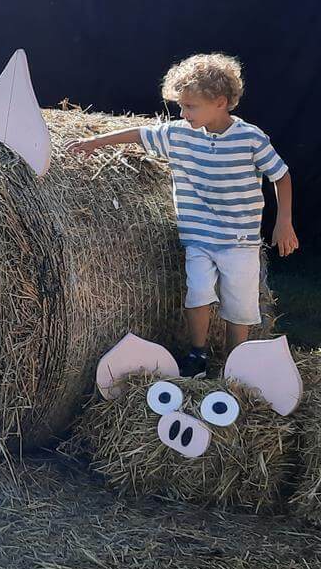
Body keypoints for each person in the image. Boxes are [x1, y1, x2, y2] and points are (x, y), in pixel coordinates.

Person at [69, 52, 298, 377]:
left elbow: (281, 175)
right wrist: (95, 142)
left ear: (220, 102)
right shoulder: (179, 134)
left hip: (239, 240)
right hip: (199, 237)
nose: (182, 112)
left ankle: (236, 364)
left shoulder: (250, 138)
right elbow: (139, 133)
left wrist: (284, 221)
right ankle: (198, 354)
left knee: (239, 307)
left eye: (190, 106)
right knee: (198, 294)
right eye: (181, 106)